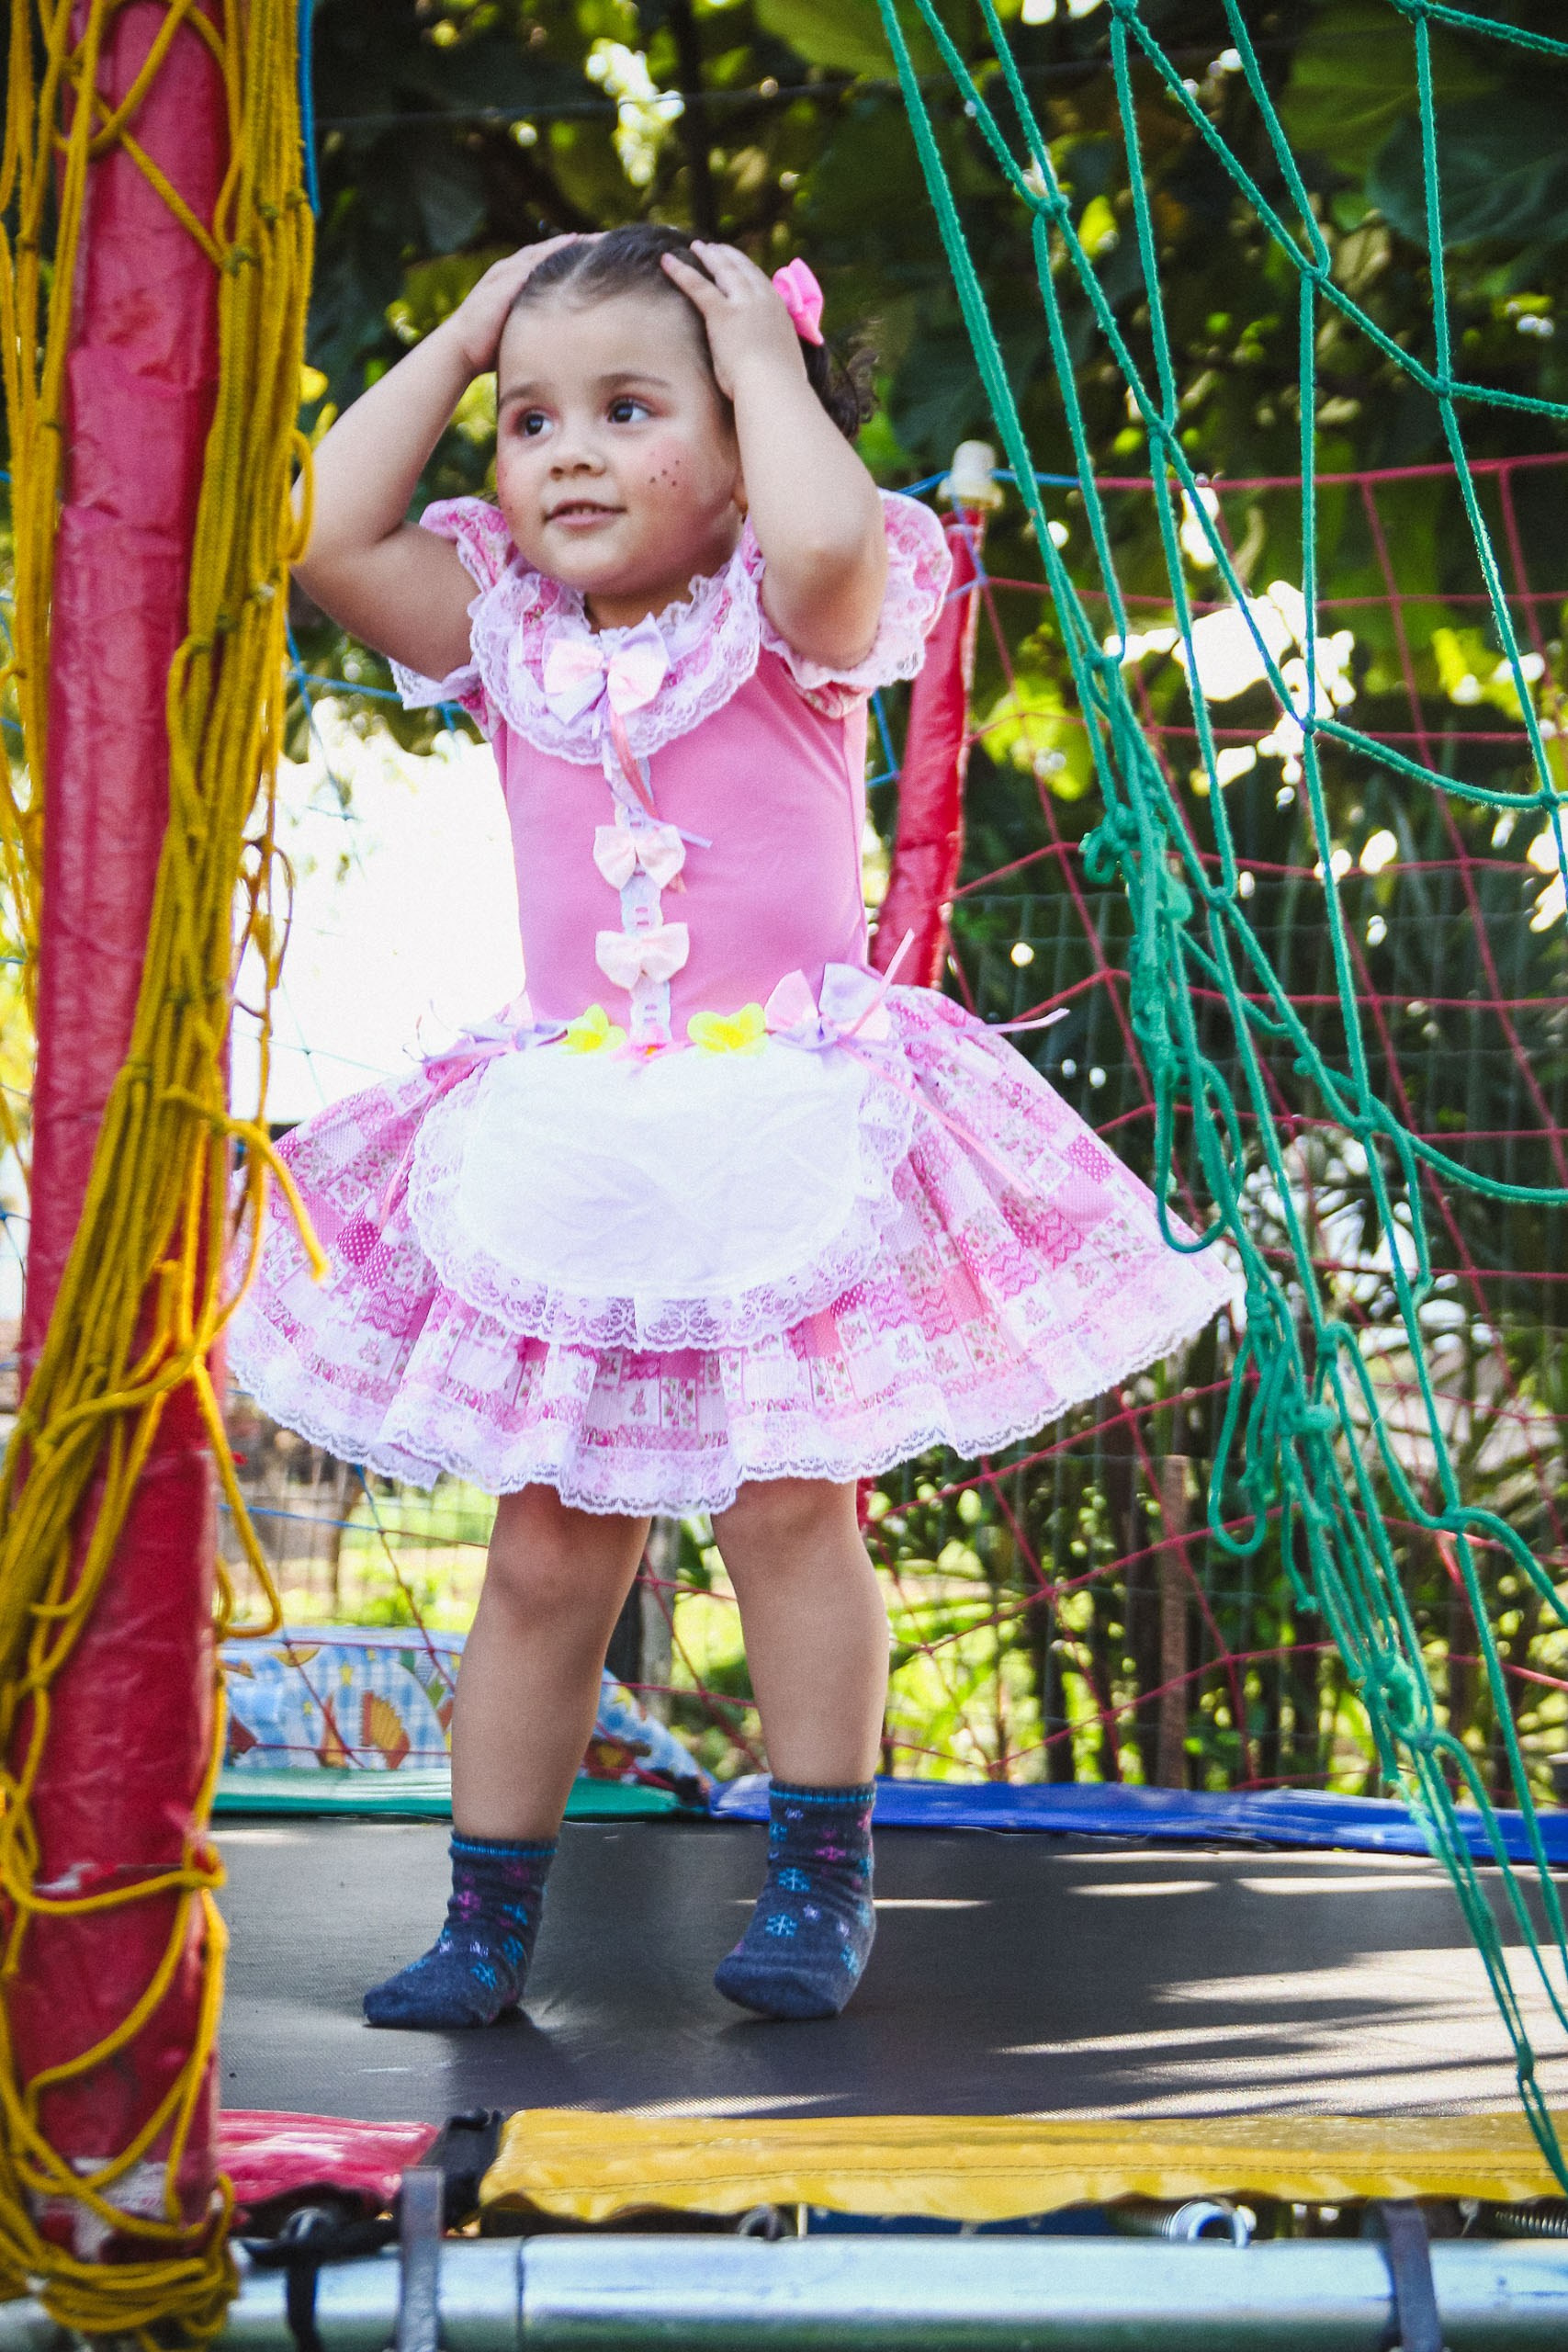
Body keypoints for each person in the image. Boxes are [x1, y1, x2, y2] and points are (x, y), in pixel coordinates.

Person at [231, 224, 1231, 2032]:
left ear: (747, 436)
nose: (568, 453)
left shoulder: (790, 616)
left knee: (789, 1510)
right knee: (544, 1548)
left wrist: (765, 355)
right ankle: (484, 1914)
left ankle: (819, 1875)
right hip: (576, 1142)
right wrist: (461, 336)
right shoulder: (507, 637)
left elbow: (833, 535)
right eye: (531, 420)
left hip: (783, 1127)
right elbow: (314, 529)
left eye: (630, 409)